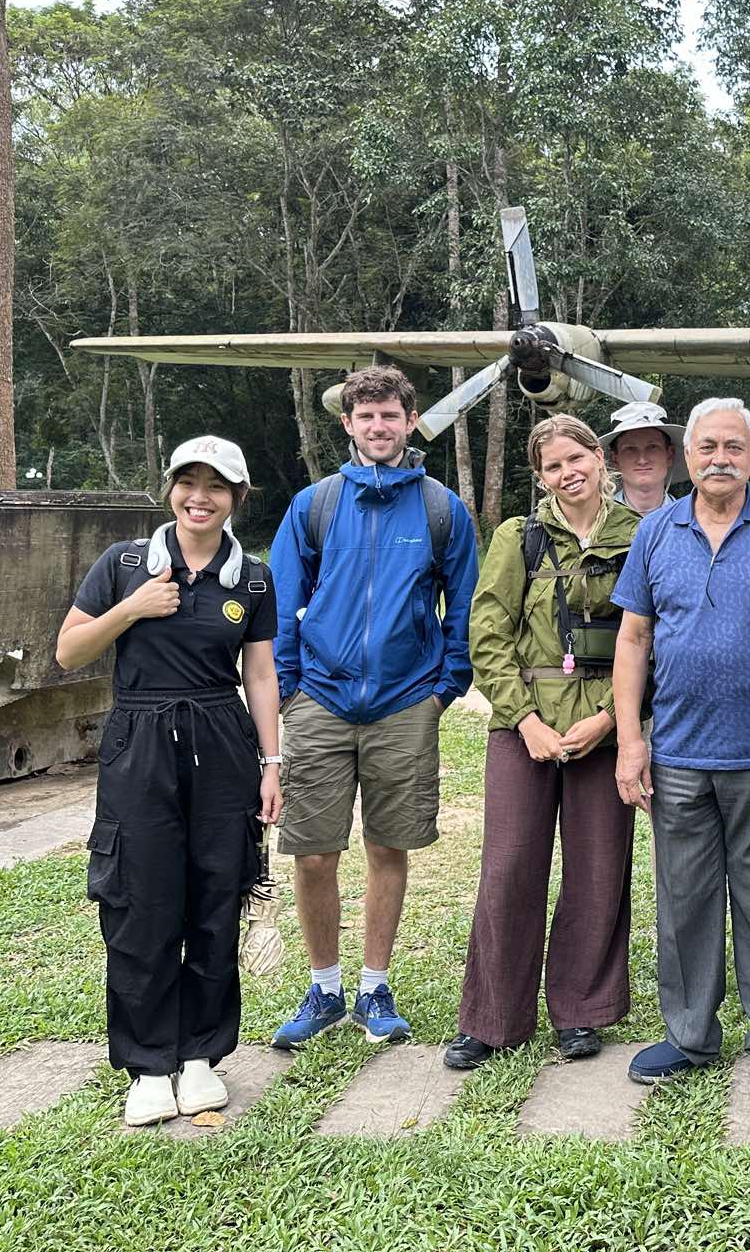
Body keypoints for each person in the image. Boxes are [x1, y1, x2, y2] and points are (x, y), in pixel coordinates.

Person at [54, 435, 282, 1128]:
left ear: (238, 499)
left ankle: (200, 1058)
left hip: (221, 740)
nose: (200, 496)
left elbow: (262, 674)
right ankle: (150, 1062)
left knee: (215, 897)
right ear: (170, 488)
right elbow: (68, 652)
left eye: (217, 485)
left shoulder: (253, 578)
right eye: (189, 481)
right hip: (140, 741)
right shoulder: (124, 565)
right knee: (140, 901)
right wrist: (130, 609)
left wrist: (274, 765)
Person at [268, 366, 479, 1048]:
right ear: (349, 425)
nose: (379, 427)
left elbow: (465, 607)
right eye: (367, 417)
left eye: (390, 416)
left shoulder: (442, 508)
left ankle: (373, 986)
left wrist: (442, 686)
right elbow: (281, 604)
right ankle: (324, 988)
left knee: (389, 846)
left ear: (409, 421)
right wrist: (291, 685)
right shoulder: (315, 504)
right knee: (312, 855)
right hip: (320, 701)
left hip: (403, 704)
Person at [611, 398, 750, 1096]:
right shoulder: (656, 532)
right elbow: (633, 640)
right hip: (679, 752)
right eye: (707, 447)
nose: (719, 458)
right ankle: (690, 1034)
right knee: (686, 899)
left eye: (733, 446)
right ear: (687, 456)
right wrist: (631, 741)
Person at [449, 415, 641, 1068]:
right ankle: (491, 1018)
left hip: (602, 726)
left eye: (577, 457)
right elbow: (488, 630)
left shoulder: (638, 536)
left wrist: (613, 720)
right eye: (553, 466)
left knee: (597, 871)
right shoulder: (518, 537)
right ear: (542, 477)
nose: (569, 472)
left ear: (599, 458)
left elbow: (654, 638)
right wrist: (524, 720)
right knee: (508, 869)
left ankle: (582, 1011)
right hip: (524, 724)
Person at [601, 400, 686, 514]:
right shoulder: (595, 522)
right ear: (615, 459)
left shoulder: (693, 521)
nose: (642, 460)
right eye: (630, 449)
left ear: (669, 455)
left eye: (652, 447)